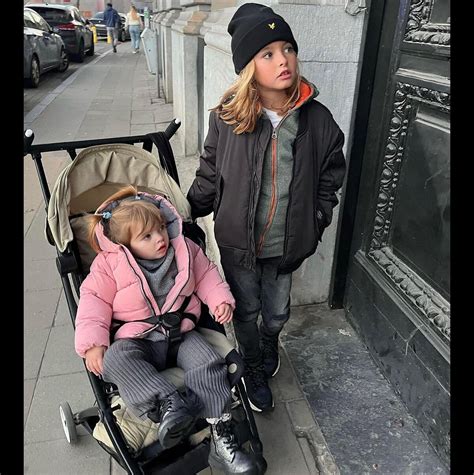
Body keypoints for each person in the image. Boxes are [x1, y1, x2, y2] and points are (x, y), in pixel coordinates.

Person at [186, 3, 346, 413]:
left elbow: (331, 175)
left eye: (287, 48)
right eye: (268, 54)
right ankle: (253, 364)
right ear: (248, 68)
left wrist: (318, 216)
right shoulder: (228, 118)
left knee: (275, 313)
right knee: (247, 310)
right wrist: (187, 215)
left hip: (287, 243)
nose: (283, 60)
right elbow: (210, 170)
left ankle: (270, 340)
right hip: (240, 241)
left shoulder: (318, 121)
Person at [74, 185, 257, 474]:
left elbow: (207, 274)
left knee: (208, 361)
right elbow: (93, 304)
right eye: (147, 236)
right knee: (116, 360)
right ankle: (169, 407)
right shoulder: (108, 266)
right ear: (125, 244)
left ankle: (221, 437)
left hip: (181, 332)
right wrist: (93, 344)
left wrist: (220, 299)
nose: (160, 237)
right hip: (137, 339)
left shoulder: (184, 250)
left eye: (161, 227)